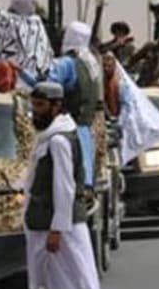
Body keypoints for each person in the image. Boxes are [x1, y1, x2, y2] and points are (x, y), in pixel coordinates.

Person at [23, 82, 100, 289]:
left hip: (59, 229)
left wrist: (57, 230)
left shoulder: (58, 141)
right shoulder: (51, 136)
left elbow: (65, 188)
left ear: (57, 106)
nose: (35, 111)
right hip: (50, 225)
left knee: (65, 288)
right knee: (56, 288)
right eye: (34, 105)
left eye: (41, 106)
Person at [18, 22, 103, 187]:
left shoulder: (67, 63)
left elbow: (44, 86)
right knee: (82, 182)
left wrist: (20, 71)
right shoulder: (91, 64)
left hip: (66, 131)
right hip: (85, 133)